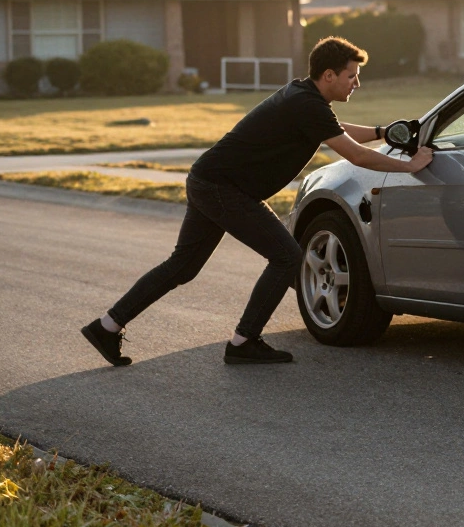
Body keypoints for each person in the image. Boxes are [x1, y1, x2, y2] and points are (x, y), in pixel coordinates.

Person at [81, 37, 432, 366]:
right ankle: (243, 342)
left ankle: (106, 327)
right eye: (351, 76)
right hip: (222, 188)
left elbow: (337, 130)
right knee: (287, 256)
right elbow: (357, 157)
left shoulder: (305, 96)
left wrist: (382, 133)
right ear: (329, 75)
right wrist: (408, 166)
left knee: (183, 266)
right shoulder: (306, 104)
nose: (356, 84)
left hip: (209, 180)